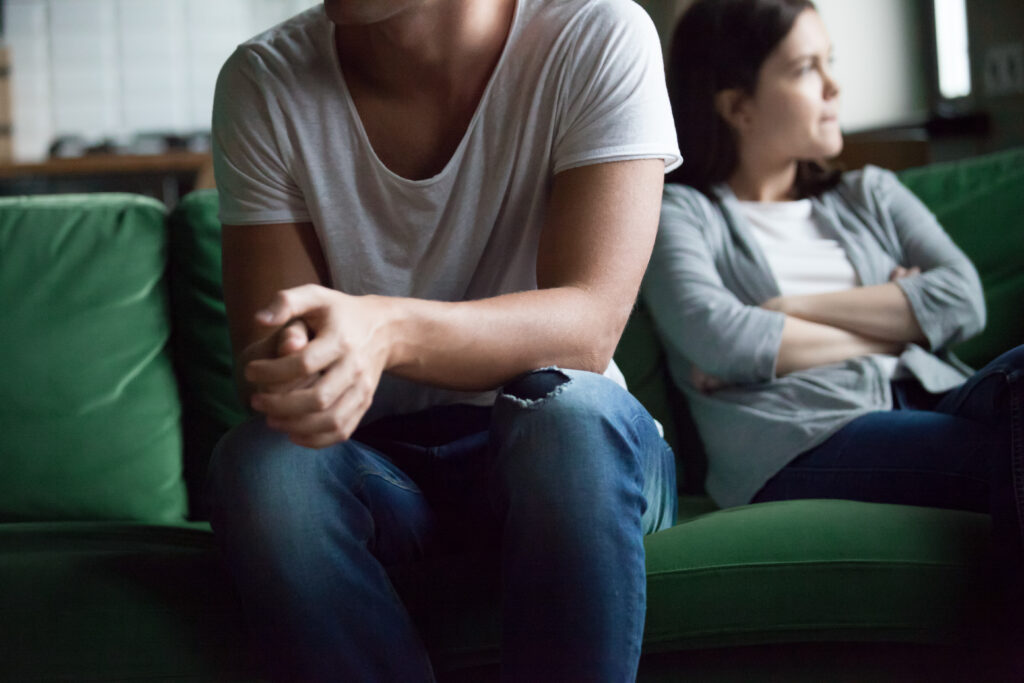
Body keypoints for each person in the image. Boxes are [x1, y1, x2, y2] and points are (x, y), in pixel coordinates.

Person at [206, 0, 680, 680]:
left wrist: (388, 328)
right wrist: (299, 374)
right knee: (263, 466)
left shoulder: (598, 33)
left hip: (574, 462)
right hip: (388, 476)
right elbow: (277, 377)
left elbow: (588, 325)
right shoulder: (264, 79)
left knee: (571, 420)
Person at [644, 0, 1023, 664]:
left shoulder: (870, 194)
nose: (834, 87)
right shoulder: (681, 215)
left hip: (928, 396)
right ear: (738, 107)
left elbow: (963, 300)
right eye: (805, 69)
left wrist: (790, 309)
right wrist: (900, 321)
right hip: (805, 436)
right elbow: (721, 339)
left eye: (831, 64)